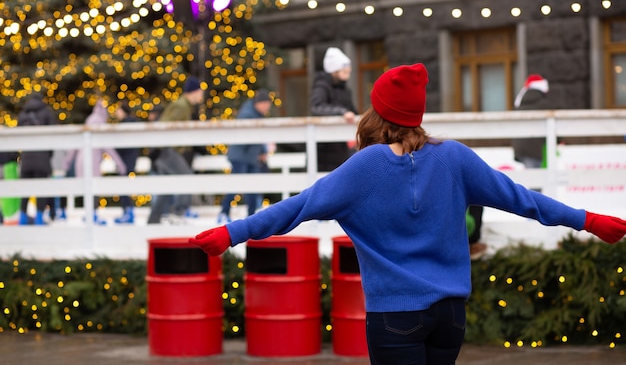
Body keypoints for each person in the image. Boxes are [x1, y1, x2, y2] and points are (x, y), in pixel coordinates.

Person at [190, 63, 626, 365]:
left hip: (395, 317)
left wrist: (231, 233)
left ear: (376, 112)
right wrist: (587, 219)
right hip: (450, 315)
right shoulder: (455, 157)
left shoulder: (363, 168)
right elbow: (524, 199)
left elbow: (296, 208)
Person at [147, 76, 205, 224]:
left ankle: (153, 221)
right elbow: (164, 125)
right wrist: (159, 148)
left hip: (166, 151)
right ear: (194, 91)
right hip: (167, 151)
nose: (202, 95)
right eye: (200, 91)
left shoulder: (184, 105)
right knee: (187, 178)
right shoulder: (181, 106)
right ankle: (178, 213)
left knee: (167, 187)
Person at [64, 100, 127, 225]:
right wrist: (120, 164)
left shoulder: (88, 121)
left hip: (81, 160)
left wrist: (67, 162)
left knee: (87, 188)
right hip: (91, 161)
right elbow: (107, 147)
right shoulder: (98, 124)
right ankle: (91, 215)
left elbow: (74, 147)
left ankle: (89, 214)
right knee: (93, 188)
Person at [217, 89, 273, 224]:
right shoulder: (248, 115)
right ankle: (224, 212)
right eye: (265, 104)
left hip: (250, 157)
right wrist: (261, 151)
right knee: (236, 185)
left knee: (252, 186)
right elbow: (251, 136)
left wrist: (262, 151)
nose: (267, 107)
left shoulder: (256, 114)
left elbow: (258, 137)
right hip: (241, 157)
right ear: (258, 103)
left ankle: (251, 216)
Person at [310, 47, 358, 171]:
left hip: (341, 146)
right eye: (345, 70)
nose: (348, 72)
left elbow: (352, 110)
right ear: (335, 70)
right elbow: (317, 107)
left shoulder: (345, 90)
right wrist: (342, 112)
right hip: (324, 148)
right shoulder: (321, 86)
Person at [17, 92, 57, 225]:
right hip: (42, 157)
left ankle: (22, 218)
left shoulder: (23, 115)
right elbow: (53, 136)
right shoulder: (46, 113)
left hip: (26, 158)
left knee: (24, 190)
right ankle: (39, 218)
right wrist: (48, 155)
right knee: (41, 189)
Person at [512, 74, 552, 168]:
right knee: (535, 179)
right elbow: (551, 125)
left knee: (530, 176)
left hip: (520, 147)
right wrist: (559, 140)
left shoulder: (521, 101)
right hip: (533, 148)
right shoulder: (543, 104)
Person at [113, 100, 140, 224]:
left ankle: (128, 212)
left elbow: (122, 144)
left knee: (123, 186)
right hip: (129, 159)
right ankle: (128, 212)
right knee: (124, 186)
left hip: (125, 160)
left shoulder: (126, 124)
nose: (116, 113)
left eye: (118, 110)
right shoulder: (131, 123)